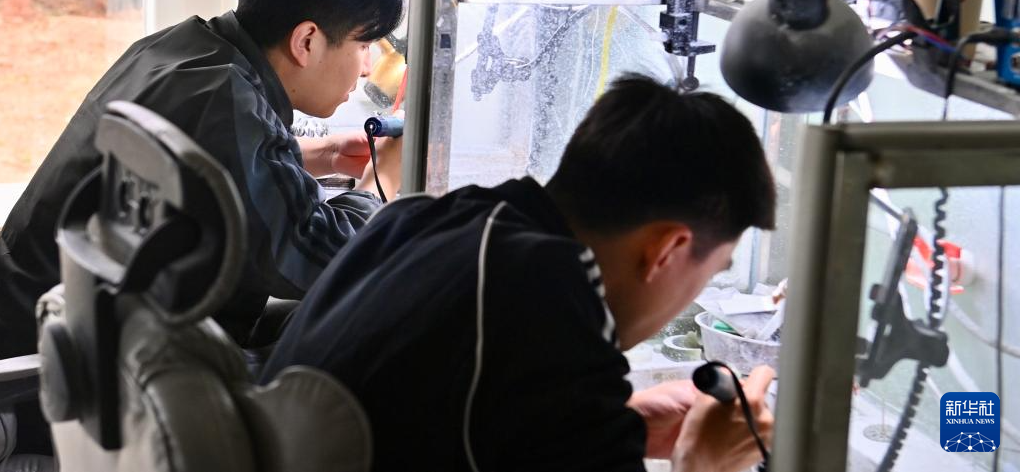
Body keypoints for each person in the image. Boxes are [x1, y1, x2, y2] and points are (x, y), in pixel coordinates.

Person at [0, 0, 403, 454]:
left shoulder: (182, 50)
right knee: (363, 342)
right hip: (46, 393)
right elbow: (326, 259)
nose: (368, 66)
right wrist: (383, 187)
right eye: (363, 44)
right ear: (307, 40)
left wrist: (323, 154)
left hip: (42, 332)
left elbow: (205, 160)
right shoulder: (229, 105)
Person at [261, 75, 778, 472]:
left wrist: (625, 426)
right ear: (668, 250)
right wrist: (701, 463)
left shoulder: (435, 218)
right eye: (709, 272)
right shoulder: (552, 308)